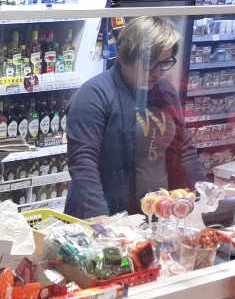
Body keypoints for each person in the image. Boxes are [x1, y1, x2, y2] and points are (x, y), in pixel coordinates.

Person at [63, 16, 206, 219]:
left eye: (164, 63)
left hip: (160, 214)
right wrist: (98, 217)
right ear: (126, 57)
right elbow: (83, 162)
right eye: (149, 63)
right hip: (111, 215)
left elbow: (184, 150)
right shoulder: (94, 94)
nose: (158, 73)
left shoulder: (165, 90)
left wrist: (205, 198)